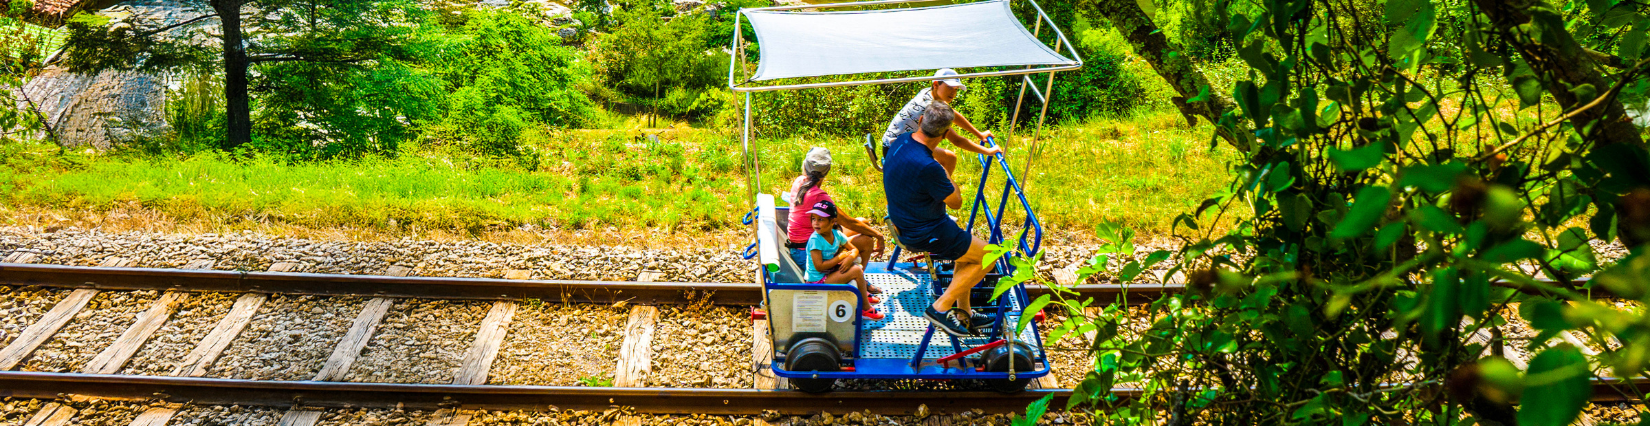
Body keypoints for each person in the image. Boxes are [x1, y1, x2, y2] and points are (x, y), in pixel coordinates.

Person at [883, 101, 990, 336]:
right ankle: (940, 308)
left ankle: (966, 312)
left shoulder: (900, 141)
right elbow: (956, 202)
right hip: (925, 232)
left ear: (920, 122)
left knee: (968, 250)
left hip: (903, 219)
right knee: (990, 255)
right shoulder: (930, 167)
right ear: (943, 135)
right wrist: (947, 175)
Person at [785, 147, 887, 282]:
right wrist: (879, 236)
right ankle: (857, 279)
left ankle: (854, 276)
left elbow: (846, 221)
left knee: (863, 222)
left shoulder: (799, 181)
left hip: (801, 245)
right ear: (827, 172)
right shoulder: (818, 196)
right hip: (809, 253)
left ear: (805, 166)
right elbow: (848, 222)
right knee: (867, 241)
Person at [880, 69, 1003, 176]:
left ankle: (937, 196)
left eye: (956, 89)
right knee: (943, 164)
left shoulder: (927, 93)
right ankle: (936, 197)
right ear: (936, 84)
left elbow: (953, 114)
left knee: (947, 158)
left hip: (894, 143)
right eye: (949, 87)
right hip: (897, 150)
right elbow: (957, 140)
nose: (953, 93)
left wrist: (979, 134)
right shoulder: (931, 111)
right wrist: (988, 151)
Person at [804, 200, 884, 320]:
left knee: (854, 264)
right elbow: (819, 267)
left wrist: (849, 258)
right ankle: (865, 309)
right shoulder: (815, 240)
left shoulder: (836, 234)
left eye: (821, 219)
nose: (816, 223)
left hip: (829, 273)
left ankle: (862, 294)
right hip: (817, 282)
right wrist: (840, 258)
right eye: (813, 219)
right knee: (856, 271)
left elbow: (854, 250)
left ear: (832, 222)